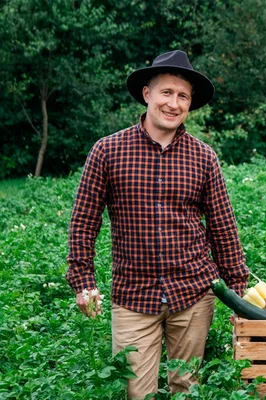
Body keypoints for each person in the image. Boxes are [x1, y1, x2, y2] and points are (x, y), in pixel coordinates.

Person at [66, 50, 249, 399]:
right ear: (147, 94)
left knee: (186, 388)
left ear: (190, 104)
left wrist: (239, 292)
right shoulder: (108, 151)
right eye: (166, 92)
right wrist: (82, 281)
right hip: (133, 296)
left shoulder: (203, 156)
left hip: (193, 294)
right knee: (138, 392)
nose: (174, 103)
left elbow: (222, 227)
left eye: (183, 96)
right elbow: (83, 221)